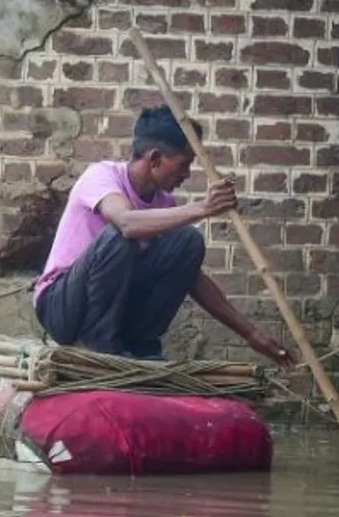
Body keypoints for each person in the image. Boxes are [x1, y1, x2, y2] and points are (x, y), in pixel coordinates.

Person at [33, 105, 298, 368]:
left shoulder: (164, 202)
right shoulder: (101, 175)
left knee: (188, 242)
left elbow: (193, 279)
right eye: (183, 165)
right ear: (155, 159)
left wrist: (251, 334)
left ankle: (140, 345)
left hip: (115, 311)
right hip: (61, 307)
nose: (185, 175)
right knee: (120, 237)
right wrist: (203, 208)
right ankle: (99, 348)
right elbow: (126, 223)